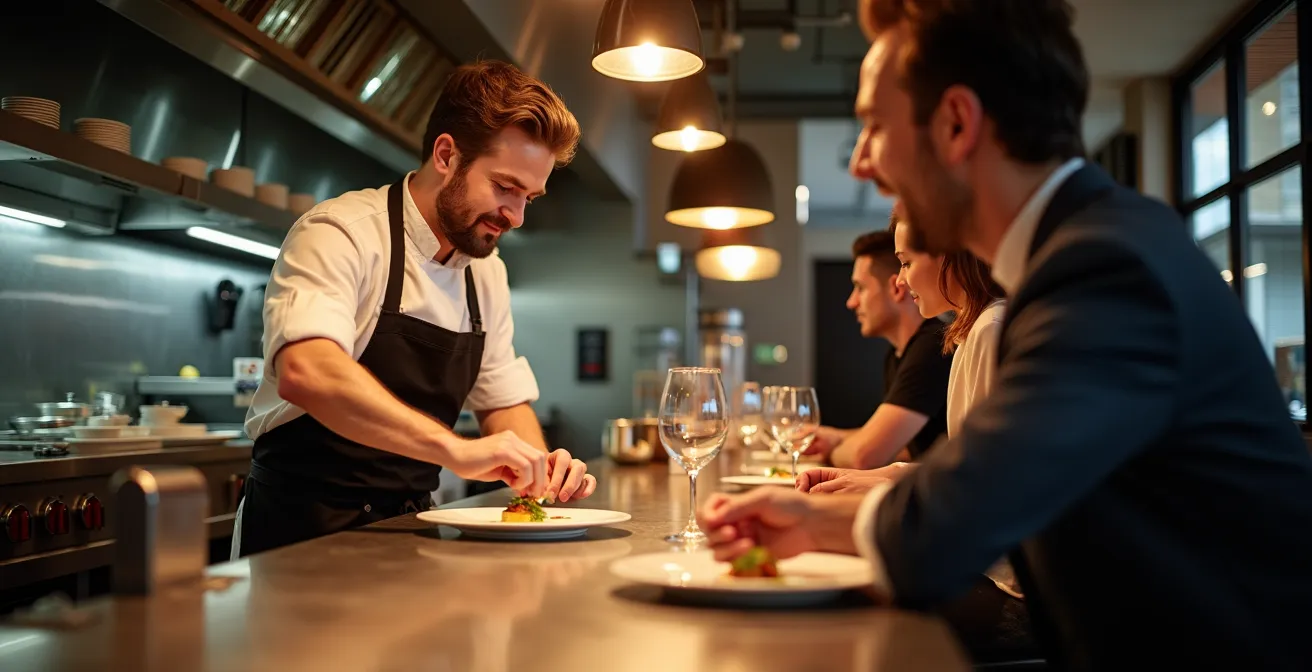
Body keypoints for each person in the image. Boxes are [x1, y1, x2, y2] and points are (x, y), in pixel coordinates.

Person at [700, 1, 1312, 669]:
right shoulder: (1085, 253)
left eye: (874, 127)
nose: (862, 165)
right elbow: (992, 486)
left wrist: (813, 521)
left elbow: (958, 522)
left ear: (957, 122)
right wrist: (812, 520)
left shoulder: (1105, 268)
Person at [234, 61, 597, 558]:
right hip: (299, 531)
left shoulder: (485, 272)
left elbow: (501, 401)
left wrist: (537, 469)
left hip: (409, 530)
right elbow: (307, 372)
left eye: (529, 197)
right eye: (505, 187)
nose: (515, 216)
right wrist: (457, 451)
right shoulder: (342, 232)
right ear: (446, 155)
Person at [799, 204, 1005, 496]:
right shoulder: (967, 336)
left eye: (906, 262)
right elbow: (967, 469)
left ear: (947, 253)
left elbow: (987, 482)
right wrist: (884, 476)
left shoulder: (990, 329)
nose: (900, 279)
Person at [806, 231, 952, 468]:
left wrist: (825, 452)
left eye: (860, 288)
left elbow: (865, 455)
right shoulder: (899, 354)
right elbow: (905, 445)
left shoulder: (932, 346)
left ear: (897, 288)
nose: (851, 302)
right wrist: (837, 437)